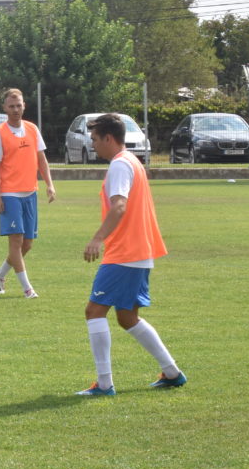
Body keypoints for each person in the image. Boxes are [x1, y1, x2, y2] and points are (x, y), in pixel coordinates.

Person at [76, 113, 186, 396]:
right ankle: (172, 373)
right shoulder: (133, 161)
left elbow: (120, 206)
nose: (92, 144)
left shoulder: (120, 165)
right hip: (139, 251)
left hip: (125, 252)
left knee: (94, 311)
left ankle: (104, 384)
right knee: (126, 317)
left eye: (95, 139)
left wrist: (97, 238)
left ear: (108, 138)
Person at [0, 88, 56, 298]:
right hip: (9, 194)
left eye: (18, 105)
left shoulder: (32, 129)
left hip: (30, 193)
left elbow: (41, 159)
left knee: (27, 244)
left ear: (24, 105)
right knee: (16, 242)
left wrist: (49, 184)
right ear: (5, 108)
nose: (16, 109)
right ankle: (28, 288)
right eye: (11, 106)